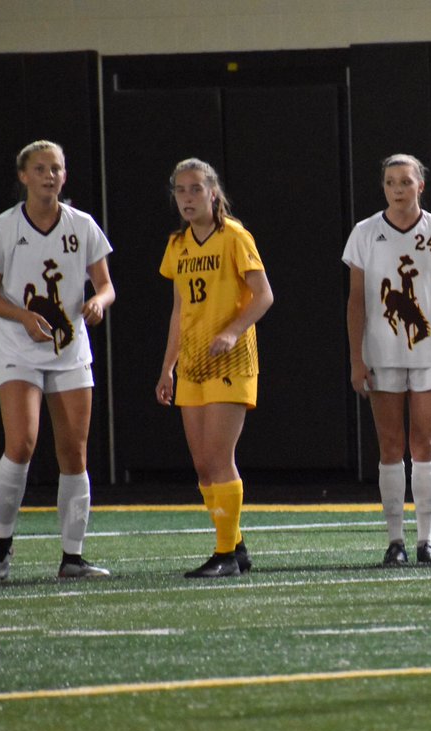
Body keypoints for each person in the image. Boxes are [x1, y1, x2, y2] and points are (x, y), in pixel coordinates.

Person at [0, 140, 115, 580]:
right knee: (22, 443)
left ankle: (72, 557)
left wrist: (99, 302)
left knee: (74, 450)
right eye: (40, 168)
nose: (49, 175)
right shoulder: (2, 228)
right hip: (19, 349)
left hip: (69, 350)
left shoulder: (83, 225)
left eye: (56, 168)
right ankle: (2, 545)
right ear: (23, 176)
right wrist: (23, 316)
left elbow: (107, 285)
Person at [344, 154, 431, 565]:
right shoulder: (365, 233)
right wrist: (356, 360)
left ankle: (426, 540)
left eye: (405, 181)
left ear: (421, 185)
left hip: (428, 351)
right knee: (390, 446)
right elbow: (356, 302)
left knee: (425, 444)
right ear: (382, 187)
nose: (398, 189)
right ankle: (395, 542)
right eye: (390, 182)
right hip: (381, 354)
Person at [155, 158, 274, 578]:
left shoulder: (234, 236)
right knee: (203, 465)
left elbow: (263, 296)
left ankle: (225, 554)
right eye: (180, 190)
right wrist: (167, 367)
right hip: (191, 364)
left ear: (213, 193)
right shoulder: (178, 245)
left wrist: (232, 331)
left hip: (231, 360)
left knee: (219, 458)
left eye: (195, 189)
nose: (187, 198)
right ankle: (236, 546)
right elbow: (179, 309)